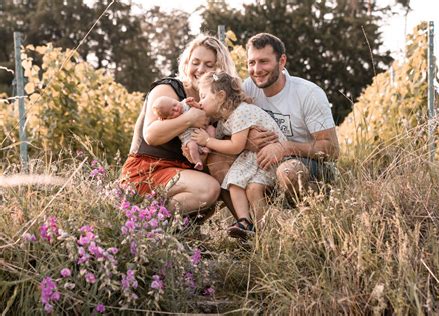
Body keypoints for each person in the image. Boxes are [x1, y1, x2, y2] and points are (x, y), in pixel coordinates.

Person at [120, 34, 239, 220]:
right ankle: (143, 219)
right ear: (186, 64)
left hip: (184, 174)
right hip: (150, 169)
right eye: (195, 62)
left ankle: (248, 227)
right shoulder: (168, 89)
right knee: (208, 189)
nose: (200, 69)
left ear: (220, 70)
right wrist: (190, 118)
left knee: (224, 170)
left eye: (209, 65)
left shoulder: (216, 102)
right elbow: (151, 135)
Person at [191, 71, 286, 240]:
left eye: (204, 96)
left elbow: (235, 146)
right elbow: (219, 138)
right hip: (253, 157)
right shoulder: (224, 120)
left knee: (253, 188)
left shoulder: (242, 112)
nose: (201, 101)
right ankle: (245, 222)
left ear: (220, 96)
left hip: (269, 156)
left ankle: (266, 233)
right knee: (234, 182)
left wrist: (207, 141)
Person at [243, 32, 339, 196]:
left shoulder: (308, 94)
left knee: (288, 171)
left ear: (282, 62)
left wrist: (286, 148)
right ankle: (248, 220)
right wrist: (247, 140)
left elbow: (332, 150)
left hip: (312, 164)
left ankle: (316, 206)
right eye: (252, 62)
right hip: (266, 162)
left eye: (264, 61)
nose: (257, 70)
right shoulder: (248, 89)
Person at [151, 95, 215, 171]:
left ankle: (208, 148)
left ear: (174, 99)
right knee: (192, 147)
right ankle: (197, 162)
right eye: (172, 112)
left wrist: (194, 103)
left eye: (174, 104)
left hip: (202, 129)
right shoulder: (171, 121)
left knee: (211, 129)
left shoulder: (185, 103)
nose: (176, 109)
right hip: (189, 137)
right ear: (166, 118)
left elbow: (200, 108)